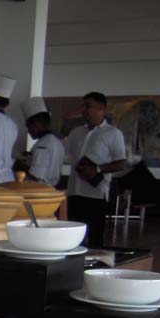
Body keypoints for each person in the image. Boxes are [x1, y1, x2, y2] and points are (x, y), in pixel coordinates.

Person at [64, 91, 127, 246]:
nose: (84, 110)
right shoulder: (76, 132)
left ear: (101, 108)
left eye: (88, 106)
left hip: (96, 195)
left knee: (95, 239)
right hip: (74, 192)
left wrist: (97, 169)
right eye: (83, 106)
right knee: (73, 238)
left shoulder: (113, 134)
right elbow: (64, 153)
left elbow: (121, 163)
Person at [19, 97, 64, 187]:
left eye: (29, 127)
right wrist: (30, 157)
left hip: (38, 190)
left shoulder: (43, 145)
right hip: (50, 189)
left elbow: (36, 175)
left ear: (36, 125)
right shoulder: (56, 141)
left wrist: (20, 165)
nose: (28, 131)